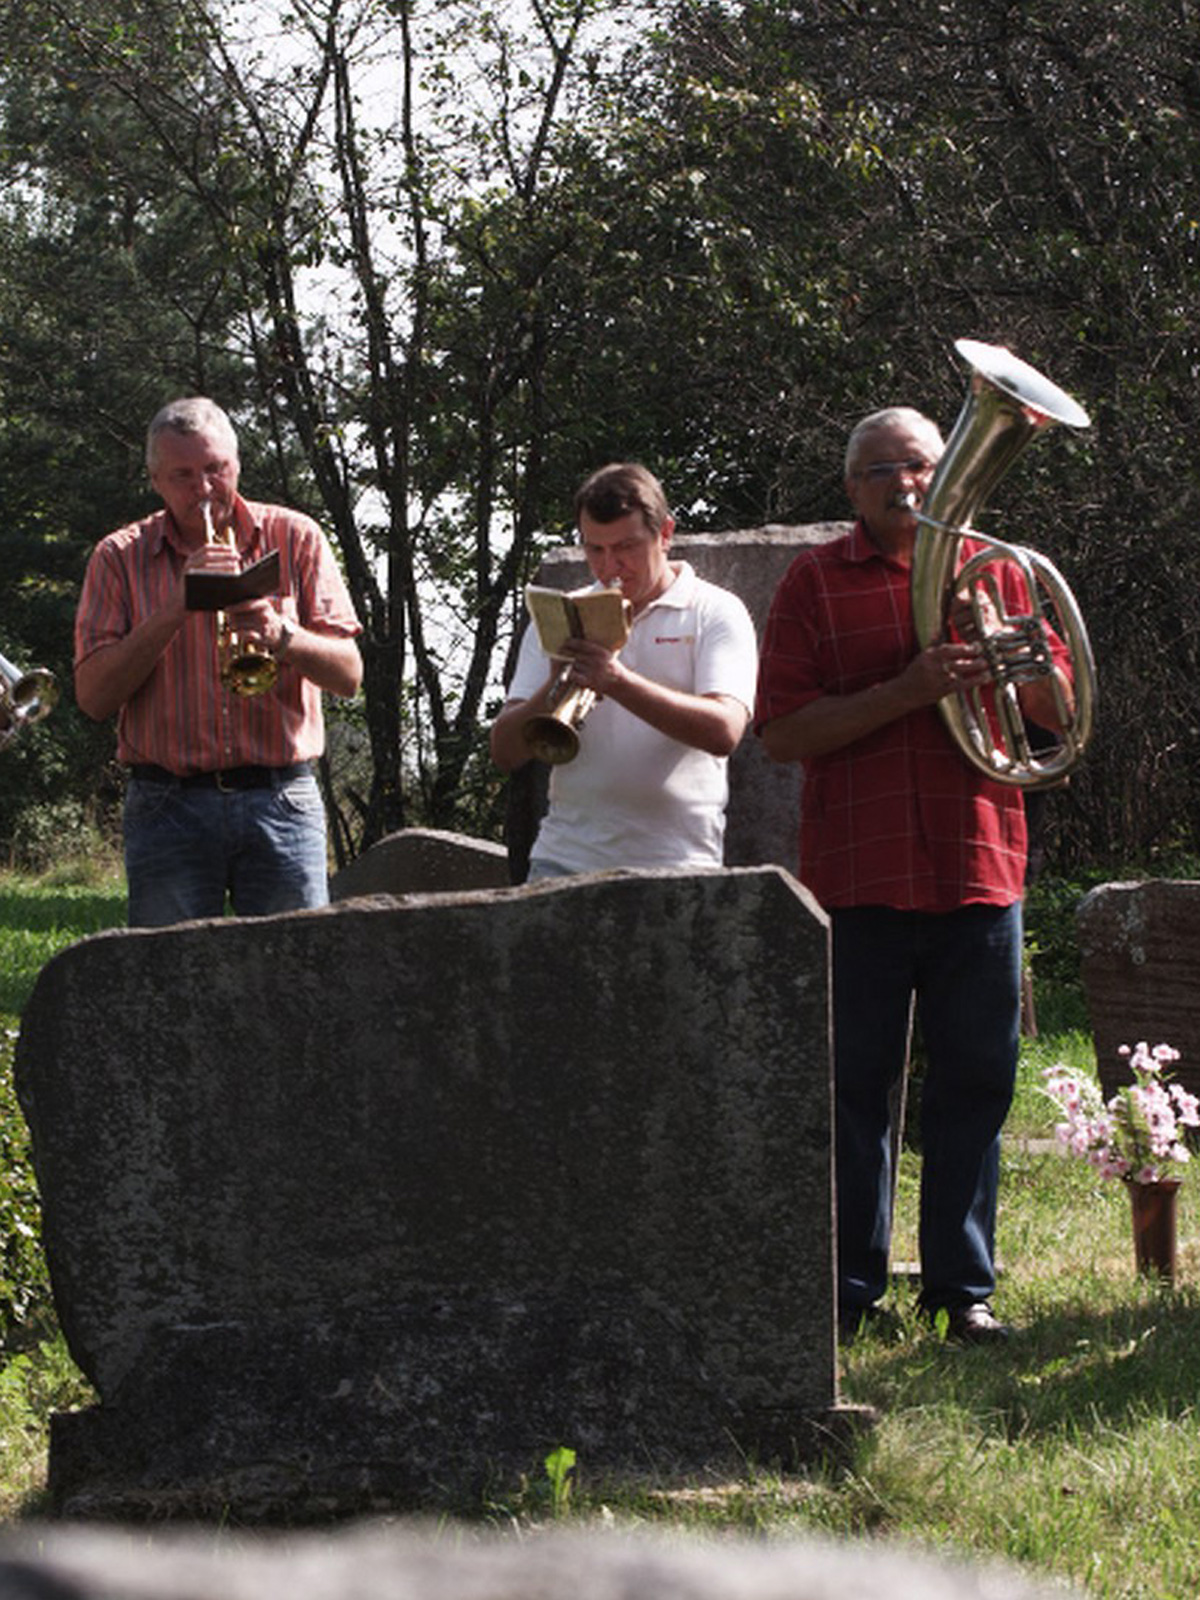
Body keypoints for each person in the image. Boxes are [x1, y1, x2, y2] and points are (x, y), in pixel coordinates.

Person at [754, 406, 1072, 1345]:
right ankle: (851, 1291)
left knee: (978, 1081)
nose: (907, 486)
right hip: (860, 873)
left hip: (980, 864)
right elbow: (782, 733)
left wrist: (1009, 665)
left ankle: (960, 1291)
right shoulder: (814, 580)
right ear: (851, 488)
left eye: (923, 469)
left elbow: (1059, 715)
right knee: (856, 1088)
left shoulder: (1000, 572)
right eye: (885, 472)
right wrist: (911, 688)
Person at [74, 396, 362, 927]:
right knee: (170, 982)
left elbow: (349, 675)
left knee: (296, 976)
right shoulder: (117, 556)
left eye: (216, 469)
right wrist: (176, 607)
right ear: (155, 480)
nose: (203, 490)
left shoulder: (295, 537)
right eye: (183, 475)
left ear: (237, 464)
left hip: (282, 798)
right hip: (166, 803)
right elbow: (93, 698)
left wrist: (282, 636)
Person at [490, 462, 758, 877]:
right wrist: (552, 685)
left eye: (626, 547)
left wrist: (615, 681)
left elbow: (724, 731)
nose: (610, 567)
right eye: (595, 549)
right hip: (563, 858)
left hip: (679, 863)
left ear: (665, 534)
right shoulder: (562, 615)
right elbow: (505, 752)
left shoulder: (715, 611)